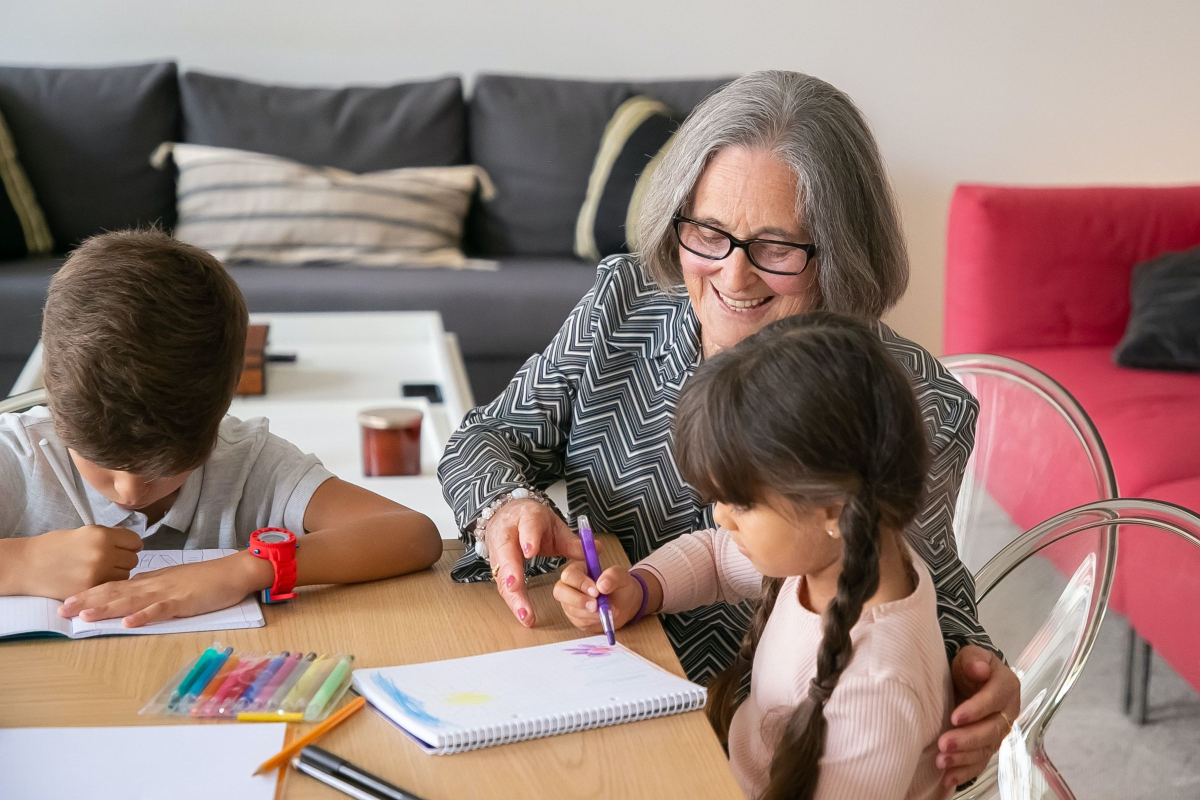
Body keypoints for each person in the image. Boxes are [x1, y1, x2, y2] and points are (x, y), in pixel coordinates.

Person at [438, 70, 1017, 787]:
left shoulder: (907, 399)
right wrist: (509, 506)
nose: (733, 278)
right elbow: (482, 440)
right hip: (587, 676)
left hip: (765, 749)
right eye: (709, 233)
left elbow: (924, 590)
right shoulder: (623, 305)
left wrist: (980, 673)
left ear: (841, 251)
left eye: (776, 249)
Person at [557, 312, 951, 800]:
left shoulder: (873, 691)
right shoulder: (847, 553)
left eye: (740, 503)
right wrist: (640, 590)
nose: (721, 518)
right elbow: (717, 557)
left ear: (831, 507)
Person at [0, 230, 443, 625]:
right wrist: (23, 561)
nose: (130, 491)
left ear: (219, 411)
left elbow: (411, 533)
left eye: (162, 467)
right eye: (101, 461)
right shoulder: (18, 455)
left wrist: (244, 569)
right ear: (55, 401)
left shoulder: (249, 463)